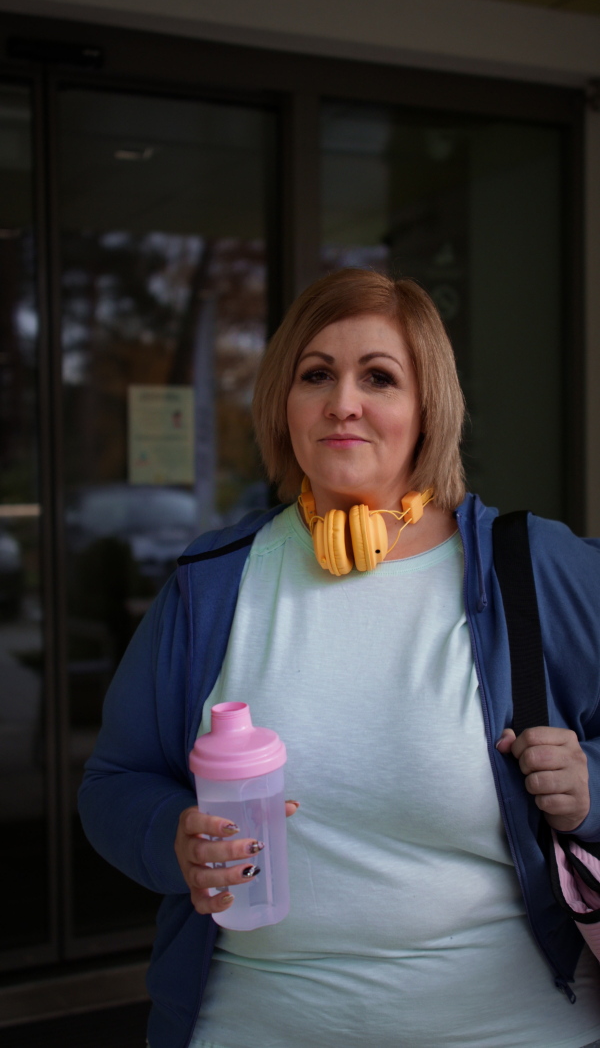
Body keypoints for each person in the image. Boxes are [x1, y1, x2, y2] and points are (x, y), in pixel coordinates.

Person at [79, 268, 600, 1048]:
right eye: (315, 373)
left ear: (428, 410)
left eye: (379, 377)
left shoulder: (538, 568)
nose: (342, 402)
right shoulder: (213, 582)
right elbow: (113, 783)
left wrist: (593, 785)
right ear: (284, 404)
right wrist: (171, 836)